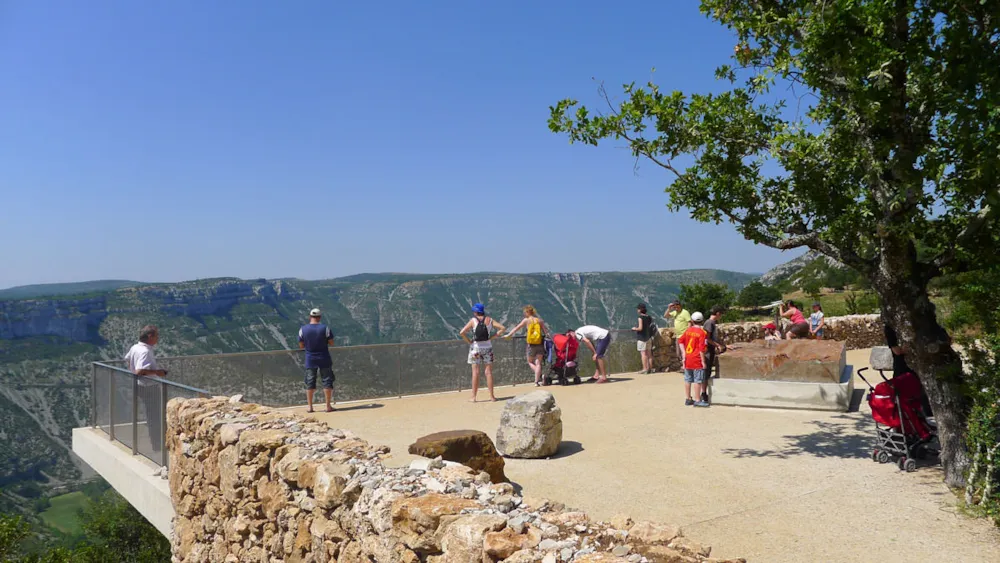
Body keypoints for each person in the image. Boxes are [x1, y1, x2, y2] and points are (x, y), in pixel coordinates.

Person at [124, 325, 168, 454]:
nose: (158, 338)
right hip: (149, 386)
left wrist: (132, 370)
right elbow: (140, 370)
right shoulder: (145, 351)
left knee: (151, 415)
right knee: (155, 417)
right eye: (156, 336)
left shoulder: (135, 347)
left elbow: (127, 359)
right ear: (150, 336)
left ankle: (156, 443)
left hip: (139, 385)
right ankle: (158, 446)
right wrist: (158, 372)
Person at [459, 303, 506, 402]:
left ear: (476, 311)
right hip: (488, 348)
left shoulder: (473, 321)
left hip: (475, 349)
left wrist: (469, 341)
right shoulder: (490, 320)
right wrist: (492, 337)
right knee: (488, 373)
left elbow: (462, 332)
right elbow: (503, 328)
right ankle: (492, 396)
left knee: (475, 373)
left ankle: (473, 397)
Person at [299, 308, 335, 413]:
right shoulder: (325, 328)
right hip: (324, 357)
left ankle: (310, 407)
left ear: (310, 317)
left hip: (310, 358)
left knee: (310, 382)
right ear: (319, 317)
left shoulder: (303, 329)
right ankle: (328, 406)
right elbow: (331, 342)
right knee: (327, 381)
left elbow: (301, 345)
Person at [504, 305, 549, 386]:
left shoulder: (526, 320)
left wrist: (508, 335)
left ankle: (540, 376)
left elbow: (516, 328)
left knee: (530, 362)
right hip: (540, 343)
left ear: (527, 312)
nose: (524, 314)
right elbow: (546, 332)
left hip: (531, 345)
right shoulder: (539, 321)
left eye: (525, 312)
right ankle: (536, 381)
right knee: (538, 363)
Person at [677, 312, 710, 407]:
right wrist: (703, 362)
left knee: (687, 379)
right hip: (697, 359)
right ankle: (697, 399)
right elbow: (701, 349)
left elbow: (680, 341)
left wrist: (684, 353)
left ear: (692, 320)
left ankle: (688, 398)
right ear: (702, 321)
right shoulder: (702, 333)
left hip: (688, 358)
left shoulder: (688, 330)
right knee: (698, 380)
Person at [702, 306, 726, 403]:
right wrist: (718, 345)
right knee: (706, 373)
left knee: (707, 373)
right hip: (707, 351)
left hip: (710, 350)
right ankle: (703, 394)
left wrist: (724, 345)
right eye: (721, 314)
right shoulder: (709, 323)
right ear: (717, 313)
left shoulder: (712, 323)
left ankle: (705, 393)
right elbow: (707, 338)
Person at [632, 303, 655, 374]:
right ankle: (650, 368)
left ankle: (644, 369)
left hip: (642, 338)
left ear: (640, 310)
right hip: (649, 337)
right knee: (649, 354)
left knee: (643, 353)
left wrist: (635, 328)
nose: (637, 310)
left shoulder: (640, 317)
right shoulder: (649, 317)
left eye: (638, 309)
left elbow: (640, 328)